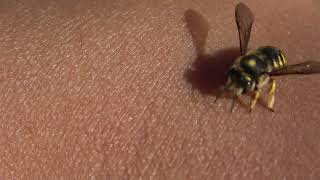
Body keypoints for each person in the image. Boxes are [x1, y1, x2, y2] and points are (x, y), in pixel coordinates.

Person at [1, 0, 319, 179]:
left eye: (243, 86)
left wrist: (258, 102)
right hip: (258, 54)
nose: (236, 89)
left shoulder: (271, 74)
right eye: (236, 80)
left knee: (271, 78)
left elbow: (268, 77)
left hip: (272, 58)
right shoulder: (239, 63)